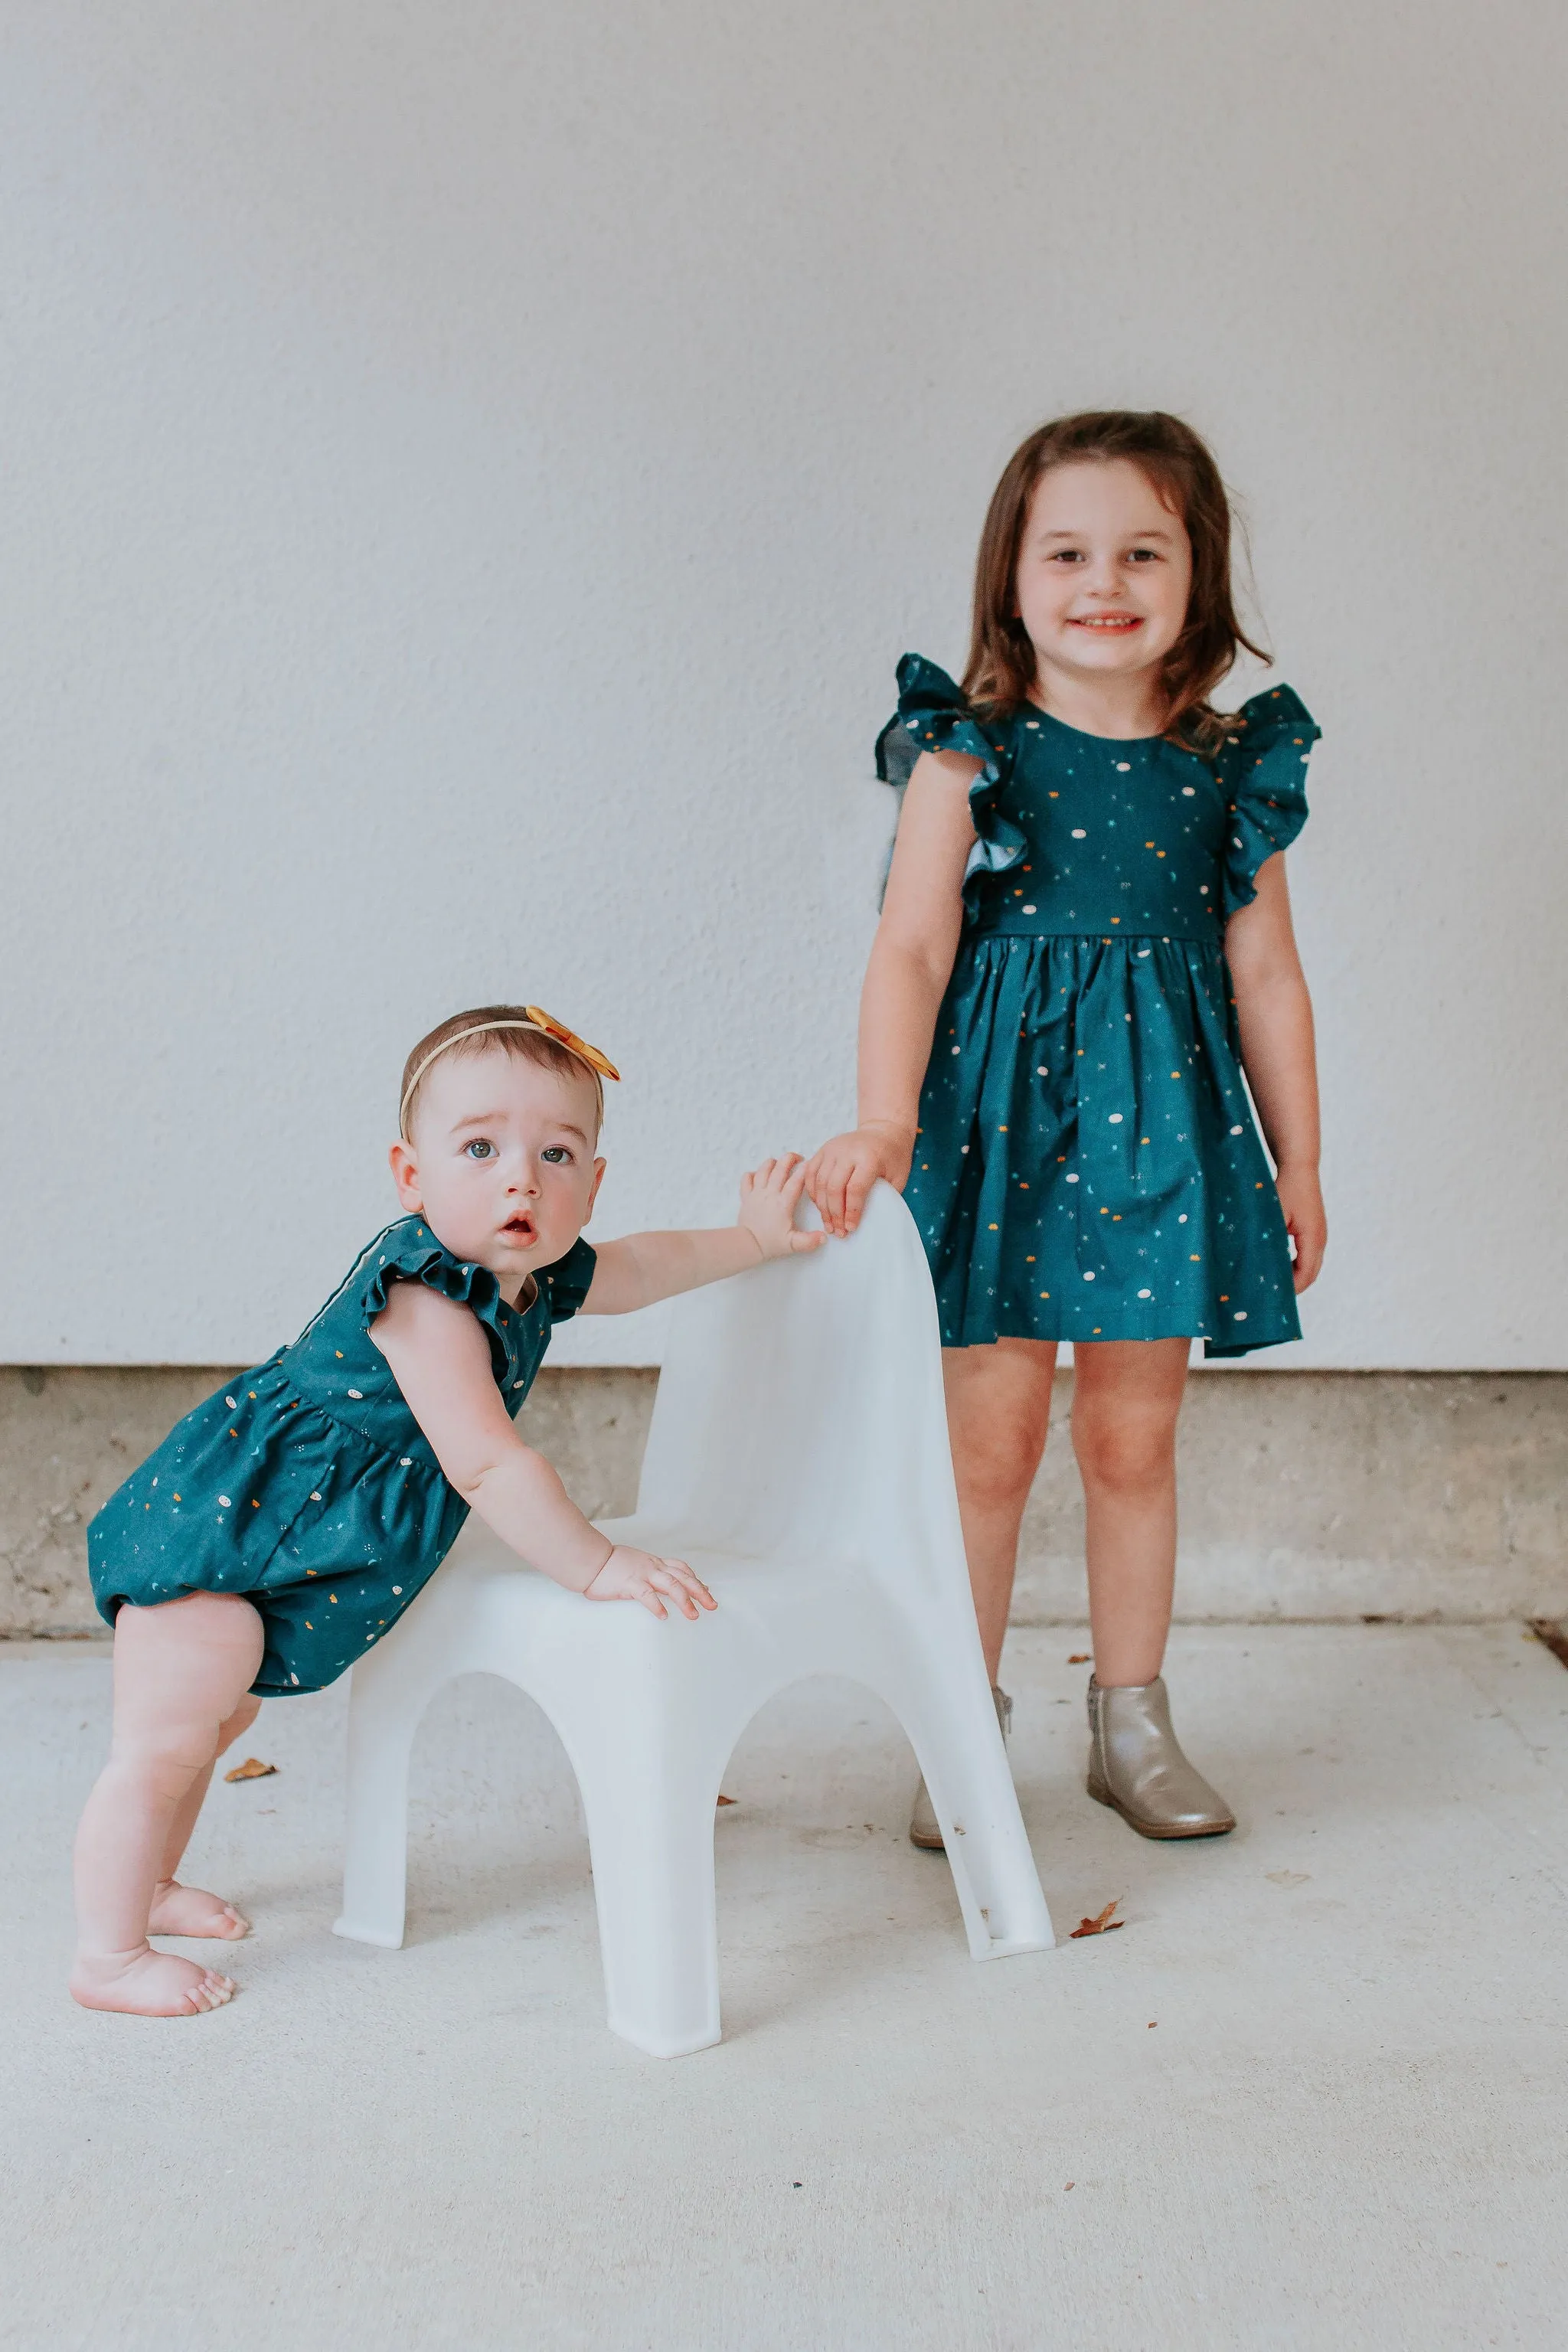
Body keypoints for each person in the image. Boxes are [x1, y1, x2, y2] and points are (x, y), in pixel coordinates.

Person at [74, 1003, 820, 2016]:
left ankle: (151, 1887)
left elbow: (643, 1268)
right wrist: (597, 1564)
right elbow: (486, 1463)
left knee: (213, 1719)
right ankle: (107, 1956)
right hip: (230, 1523)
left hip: (297, 1533)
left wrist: (750, 1238)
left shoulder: (535, 1273)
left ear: (592, 1183)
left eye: (558, 1153)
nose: (522, 1176)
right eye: (481, 1147)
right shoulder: (421, 1292)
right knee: (166, 1734)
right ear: (411, 1174)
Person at [805, 412, 1325, 1848]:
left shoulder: (1229, 765)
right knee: (987, 1446)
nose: (1107, 580)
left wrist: (1305, 1160)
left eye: (1144, 550)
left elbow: (1267, 976)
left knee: (1133, 1438)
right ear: (1012, 576)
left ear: (1196, 576)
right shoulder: (967, 759)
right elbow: (910, 949)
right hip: (997, 1134)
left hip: (1162, 1138)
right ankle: (959, 1723)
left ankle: (1133, 1720)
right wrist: (883, 1121)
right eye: (1070, 550)